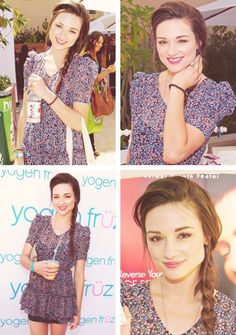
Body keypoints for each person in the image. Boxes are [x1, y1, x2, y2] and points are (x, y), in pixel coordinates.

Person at [121, 176, 236, 335]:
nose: (169, 252)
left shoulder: (229, 316)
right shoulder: (124, 303)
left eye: (183, 235)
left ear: (206, 235)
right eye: (156, 238)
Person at [127, 1, 236, 165]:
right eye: (163, 42)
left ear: (198, 42)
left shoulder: (212, 94)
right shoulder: (143, 84)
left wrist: (177, 86)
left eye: (182, 41)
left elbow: (173, 154)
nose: (171, 51)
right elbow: (133, 147)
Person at [16, 1, 98, 165]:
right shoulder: (33, 61)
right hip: (31, 154)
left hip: (65, 157)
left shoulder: (81, 68)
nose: (62, 35)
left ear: (78, 36)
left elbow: (79, 123)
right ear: (51, 24)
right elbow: (25, 112)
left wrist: (47, 94)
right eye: (59, 26)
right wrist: (18, 153)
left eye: (72, 31)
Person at [20, 173, 90, 335]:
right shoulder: (40, 222)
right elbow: (23, 258)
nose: (61, 202)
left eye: (67, 196)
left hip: (63, 298)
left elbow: (79, 274)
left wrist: (78, 309)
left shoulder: (81, 233)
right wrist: (34, 266)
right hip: (37, 294)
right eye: (56, 197)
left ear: (76, 198)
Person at [83, 31, 115, 157]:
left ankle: (91, 147)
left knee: (91, 121)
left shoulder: (94, 56)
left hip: (92, 93)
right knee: (88, 121)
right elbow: (93, 79)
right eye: (99, 42)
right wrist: (108, 71)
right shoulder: (87, 58)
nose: (101, 45)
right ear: (92, 41)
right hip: (86, 95)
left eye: (102, 42)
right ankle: (89, 148)